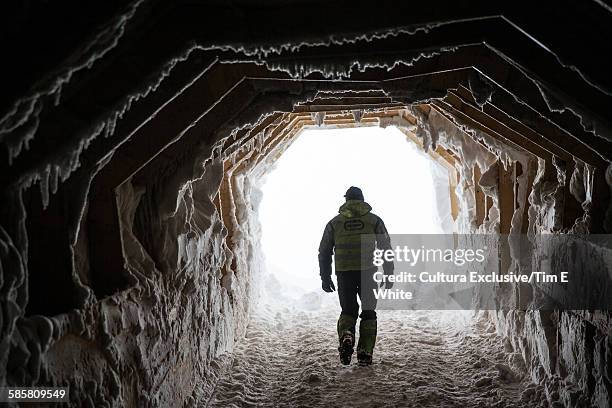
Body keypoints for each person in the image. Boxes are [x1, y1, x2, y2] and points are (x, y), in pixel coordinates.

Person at [318, 186, 394, 366]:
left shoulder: (334, 223)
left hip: (344, 273)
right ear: (362, 199)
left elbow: (324, 251)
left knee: (348, 310)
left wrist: (325, 276)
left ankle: (347, 335)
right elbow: (385, 248)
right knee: (368, 312)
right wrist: (389, 273)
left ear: (346, 201)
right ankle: (365, 353)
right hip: (368, 273)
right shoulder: (374, 221)